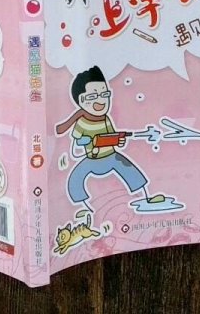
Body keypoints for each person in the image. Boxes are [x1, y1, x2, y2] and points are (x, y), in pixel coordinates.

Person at [55, 65, 164, 212]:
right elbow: (75, 148)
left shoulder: (105, 119)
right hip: (91, 159)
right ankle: (85, 207)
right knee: (75, 179)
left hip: (111, 156)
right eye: (92, 96)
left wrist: (119, 141)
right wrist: (85, 141)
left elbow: (112, 136)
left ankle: (146, 197)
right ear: (81, 100)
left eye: (104, 94)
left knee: (130, 169)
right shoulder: (82, 123)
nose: (100, 101)